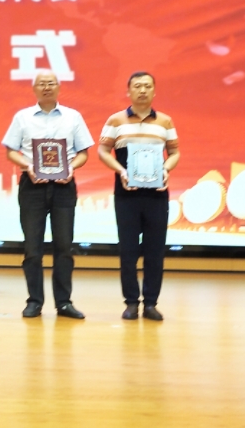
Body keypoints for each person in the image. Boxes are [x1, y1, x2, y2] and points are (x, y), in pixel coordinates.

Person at [2, 70, 93, 320]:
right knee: (32, 248)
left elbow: (83, 152)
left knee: (64, 246)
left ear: (59, 87)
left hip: (64, 187)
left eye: (51, 83)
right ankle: (34, 301)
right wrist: (28, 167)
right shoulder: (22, 117)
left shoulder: (73, 116)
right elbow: (10, 151)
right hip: (32, 186)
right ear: (34, 88)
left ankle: (64, 303)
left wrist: (71, 168)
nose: (46, 87)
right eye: (41, 83)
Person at [98, 71, 180, 322]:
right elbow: (103, 150)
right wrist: (121, 171)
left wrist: (166, 170)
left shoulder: (165, 121)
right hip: (127, 194)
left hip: (157, 194)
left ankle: (151, 303)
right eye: (137, 86)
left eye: (147, 86)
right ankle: (131, 303)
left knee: (155, 251)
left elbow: (175, 152)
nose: (142, 90)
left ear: (154, 91)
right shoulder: (116, 120)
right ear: (128, 91)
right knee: (128, 251)